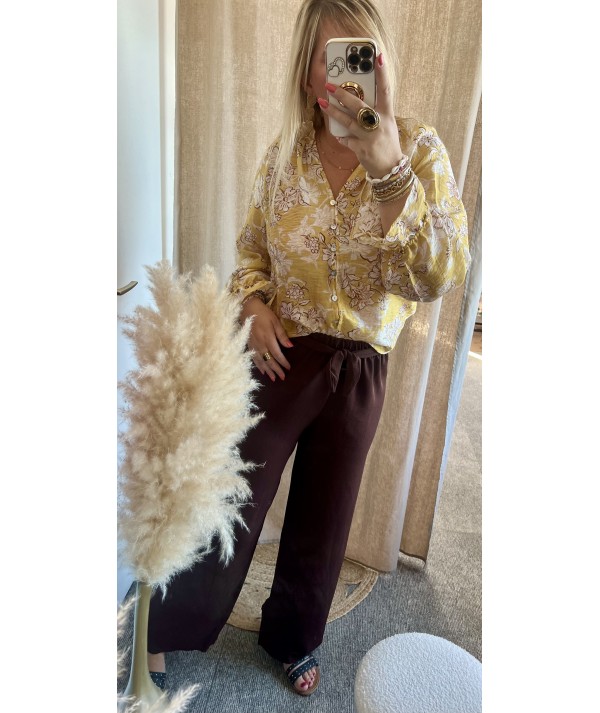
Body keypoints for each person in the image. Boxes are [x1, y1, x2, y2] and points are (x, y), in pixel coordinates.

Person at [147, 0, 471, 697]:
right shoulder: (283, 156)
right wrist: (254, 306)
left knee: (325, 516)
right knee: (231, 494)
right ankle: (165, 624)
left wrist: (386, 165)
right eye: (331, 59)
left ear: (382, 64)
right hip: (283, 352)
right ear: (306, 71)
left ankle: (293, 636)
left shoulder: (419, 151)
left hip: (360, 366)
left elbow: (438, 276)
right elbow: (250, 255)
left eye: (361, 56)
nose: (346, 78)